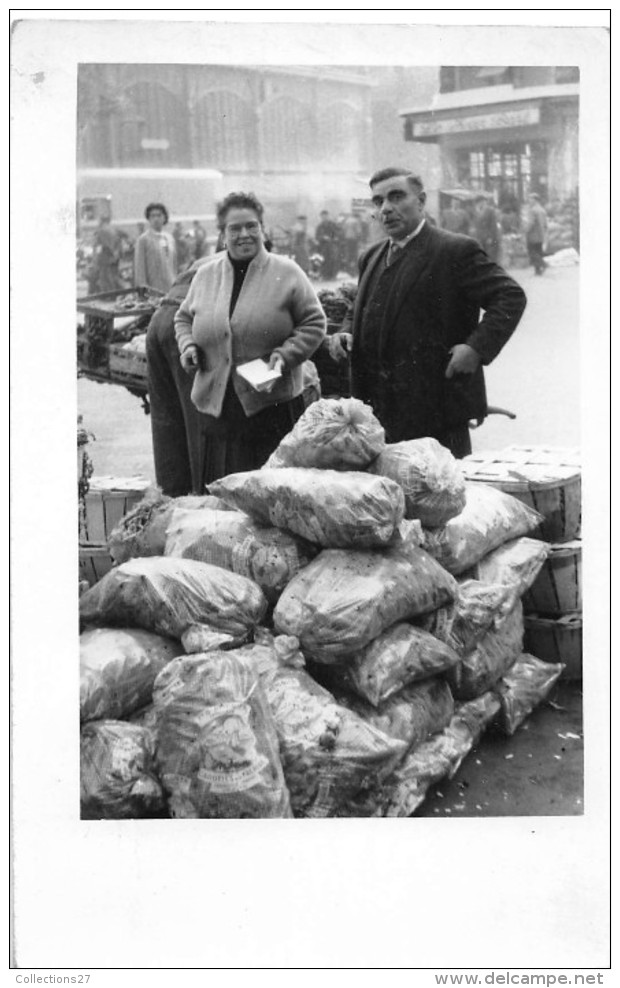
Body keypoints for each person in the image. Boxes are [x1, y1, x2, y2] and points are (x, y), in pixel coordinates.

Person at [327, 167, 527, 458]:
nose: (386, 209)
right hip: (377, 410)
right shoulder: (371, 256)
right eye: (378, 201)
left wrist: (475, 348)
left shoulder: (454, 250)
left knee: (440, 495)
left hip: (435, 409)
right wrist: (346, 330)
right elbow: (362, 304)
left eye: (396, 197)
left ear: (421, 201)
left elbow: (509, 296)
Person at [174, 191, 326, 484]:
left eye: (252, 226)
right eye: (235, 228)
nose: (244, 234)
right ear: (222, 235)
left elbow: (314, 321)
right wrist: (188, 346)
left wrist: (285, 355)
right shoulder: (205, 275)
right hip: (219, 410)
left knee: (269, 494)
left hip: (271, 407)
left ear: (262, 229)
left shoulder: (287, 271)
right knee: (223, 496)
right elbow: (182, 318)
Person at [145, 258, 211, 497]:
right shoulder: (252, 264)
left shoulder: (206, 260)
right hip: (184, 322)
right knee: (200, 419)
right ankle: (203, 502)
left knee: (166, 422)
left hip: (159, 320)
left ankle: (171, 500)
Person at [134, 202, 177, 292]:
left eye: (159, 215)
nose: (156, 219)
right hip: (153, 288)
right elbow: (140, 266)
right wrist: (142, 287)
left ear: (164, 217)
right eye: (152, 216)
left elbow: (174, 265)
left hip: (170, 285)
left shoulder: (170, 238)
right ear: (148, 219)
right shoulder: (143, 239)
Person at [90, 216, 123, 292]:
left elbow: (97, 246)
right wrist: (117, 254)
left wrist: (95, 258)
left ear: (102, 221)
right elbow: (119, 243)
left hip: (105, 257)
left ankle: (108, 294)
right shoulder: (114, 230)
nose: (98, 222)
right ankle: (114, 293)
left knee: (104, 277)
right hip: (114, 257)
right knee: (113, 276)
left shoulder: (101, 231)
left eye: (99, 221)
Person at [524, 193, 549, 275]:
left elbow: (530, 223)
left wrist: (526, 231)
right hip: (541, 235)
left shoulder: (533, 210)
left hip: (533, 235)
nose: (529, 201)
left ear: (535, 200)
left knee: (532, 252)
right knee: (538, 252)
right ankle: (538, 271)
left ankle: (543, 264)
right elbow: (545, 224)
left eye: (530, 199)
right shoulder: (542, 210)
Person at [473, 194, 502, 263]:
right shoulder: (476, 212)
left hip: (489, 237)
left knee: (490, 255)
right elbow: (476, 225)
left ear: (484, 202)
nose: (480, 203)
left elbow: (493, 225)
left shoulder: (490, 211)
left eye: (482, 201)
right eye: (478, 202)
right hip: (480, 237)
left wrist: (491, 237)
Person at [314, 210, 340, 280]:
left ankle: (333, 275)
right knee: (324, 260)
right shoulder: (320, 226)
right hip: (324, 246)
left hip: (332, 245)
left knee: (333, 260)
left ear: (328, 216)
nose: (324, 218)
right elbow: (317, 236)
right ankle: (325, 275)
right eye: (323, 217)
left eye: (325, 216)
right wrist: (323, 237)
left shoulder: (333, 224)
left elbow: (338, 233)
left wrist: (334, 238)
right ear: (321, 217)